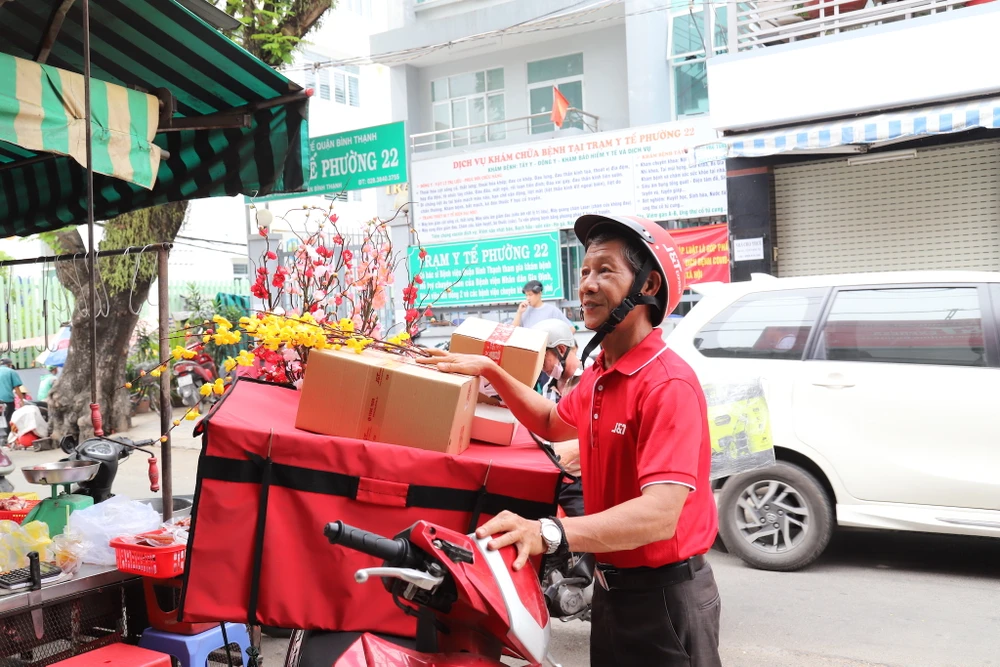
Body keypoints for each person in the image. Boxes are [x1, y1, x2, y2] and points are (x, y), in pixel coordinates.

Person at [419, 214, 721, 666]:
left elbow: (660, 515)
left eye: (605, 271)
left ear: (648, 285)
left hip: (665, 598)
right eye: (584, 271)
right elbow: (550, 419)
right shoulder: (601, 373)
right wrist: (489, 370)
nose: (587, 285)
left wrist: (549, 531)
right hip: (611, 590)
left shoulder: (666, 384)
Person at [531, 318, 585, 516]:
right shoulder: (548, 388)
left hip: (581, 481)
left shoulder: (590, 381)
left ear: (561, 349)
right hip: (555, 476)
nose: (540, 367)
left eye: (543, 359)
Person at [0, 358, 25, 428]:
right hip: (7, 400)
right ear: (10, 365)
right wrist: (21, 400)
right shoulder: (11, 372)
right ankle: (9, 433)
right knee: (9, 418)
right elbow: (16, 388)